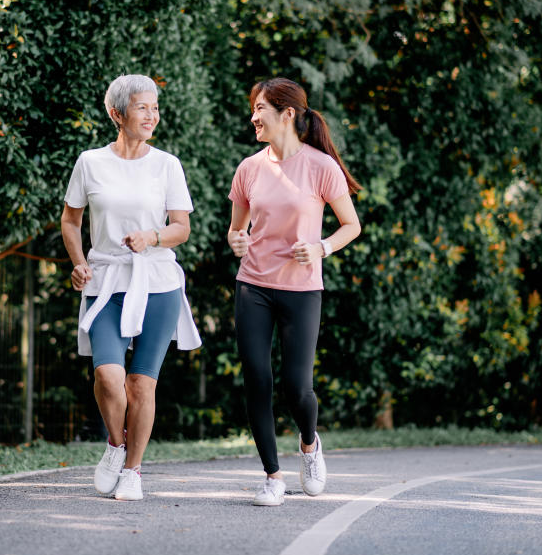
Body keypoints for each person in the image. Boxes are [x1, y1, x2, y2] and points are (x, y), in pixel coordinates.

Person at [61, 74, 201, 501]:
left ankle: (134, 472)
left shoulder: (167, 164)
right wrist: (79, 263)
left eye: (155, 108)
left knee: (142, 385)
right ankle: (115, 446)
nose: (152, 115)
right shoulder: (90, 162)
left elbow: (182, 228)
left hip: (156, 282)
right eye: (143, 107)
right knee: (107, 375)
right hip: (106, 281)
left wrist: (152, 237)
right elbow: (70, 221)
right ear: (117, 113)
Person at [227, 77, 362, 506]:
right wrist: (236, 240)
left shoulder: (321, 167)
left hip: (302, 289)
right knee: (256, 380)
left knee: (297, 386)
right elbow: (236, 230)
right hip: (254, 285)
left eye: (261, 108)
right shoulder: (249, 168)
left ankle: (309, 444)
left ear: (287, 113)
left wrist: (320, 247)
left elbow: (351, 225)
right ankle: (271, 476)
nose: (254, 117)